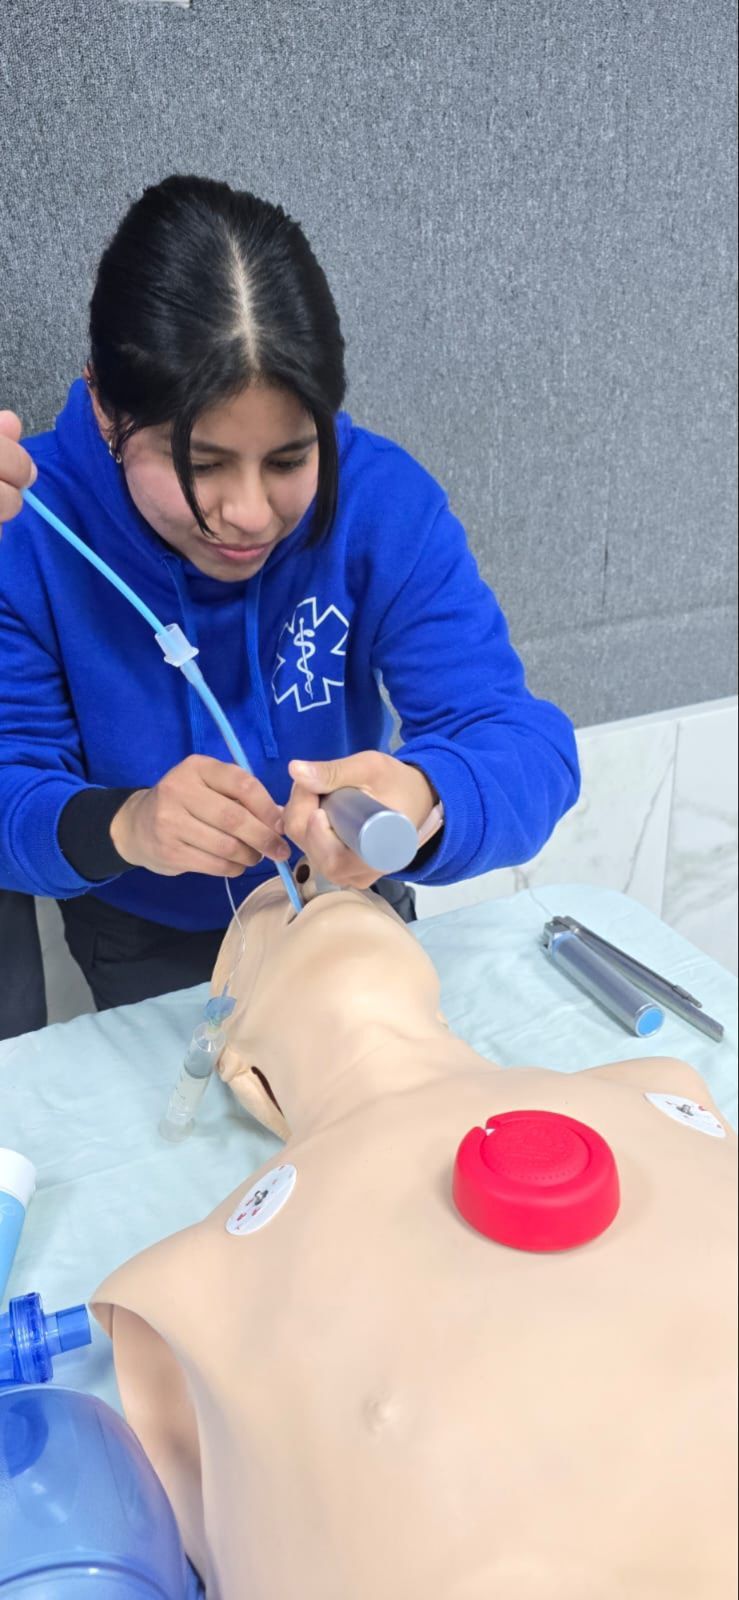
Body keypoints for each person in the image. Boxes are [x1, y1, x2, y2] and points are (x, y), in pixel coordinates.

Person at [0, 174, 579, 1031]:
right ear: (104, 405)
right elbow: (13, 792)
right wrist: (130, 825)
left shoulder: (380, 502)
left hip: (348, 897)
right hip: (144, 932)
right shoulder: (30, 530)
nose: (247, 513)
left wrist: (425, 794)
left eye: (287, 459)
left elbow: (525, 744)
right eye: (198, 464)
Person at [92, 871, 737, 1599]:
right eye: (279, 911)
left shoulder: (658, 1084)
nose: (305, 874)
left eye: (343, 887)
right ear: (244, 1073)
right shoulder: (187, 1284)